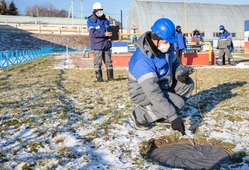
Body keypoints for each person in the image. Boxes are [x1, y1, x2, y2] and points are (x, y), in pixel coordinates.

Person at [128, 18, 195, 135]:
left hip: (163, 84)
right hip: (143, 92)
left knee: (187, 84)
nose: (168, 45)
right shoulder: (142, 60)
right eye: (166, 42)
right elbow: (153, 93)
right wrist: (173, 117)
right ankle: (139, 117)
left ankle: (162, 114)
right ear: (156, 39)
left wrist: (179, 73)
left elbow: (175, 63)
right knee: (178, 102)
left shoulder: (165, 49)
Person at [87, 2, 114, 82]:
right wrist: (104, 34)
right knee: (98, 63)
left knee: (108, 62)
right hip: (97, 45)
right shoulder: (91, 21)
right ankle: (99, 79)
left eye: (101, 10)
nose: (101, 11)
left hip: (106, 44)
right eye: (99, 10)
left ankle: (110, 78)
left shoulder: (105, 20)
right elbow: (93, 33)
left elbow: (111, 27)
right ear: (95, 11)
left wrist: (115, 32)